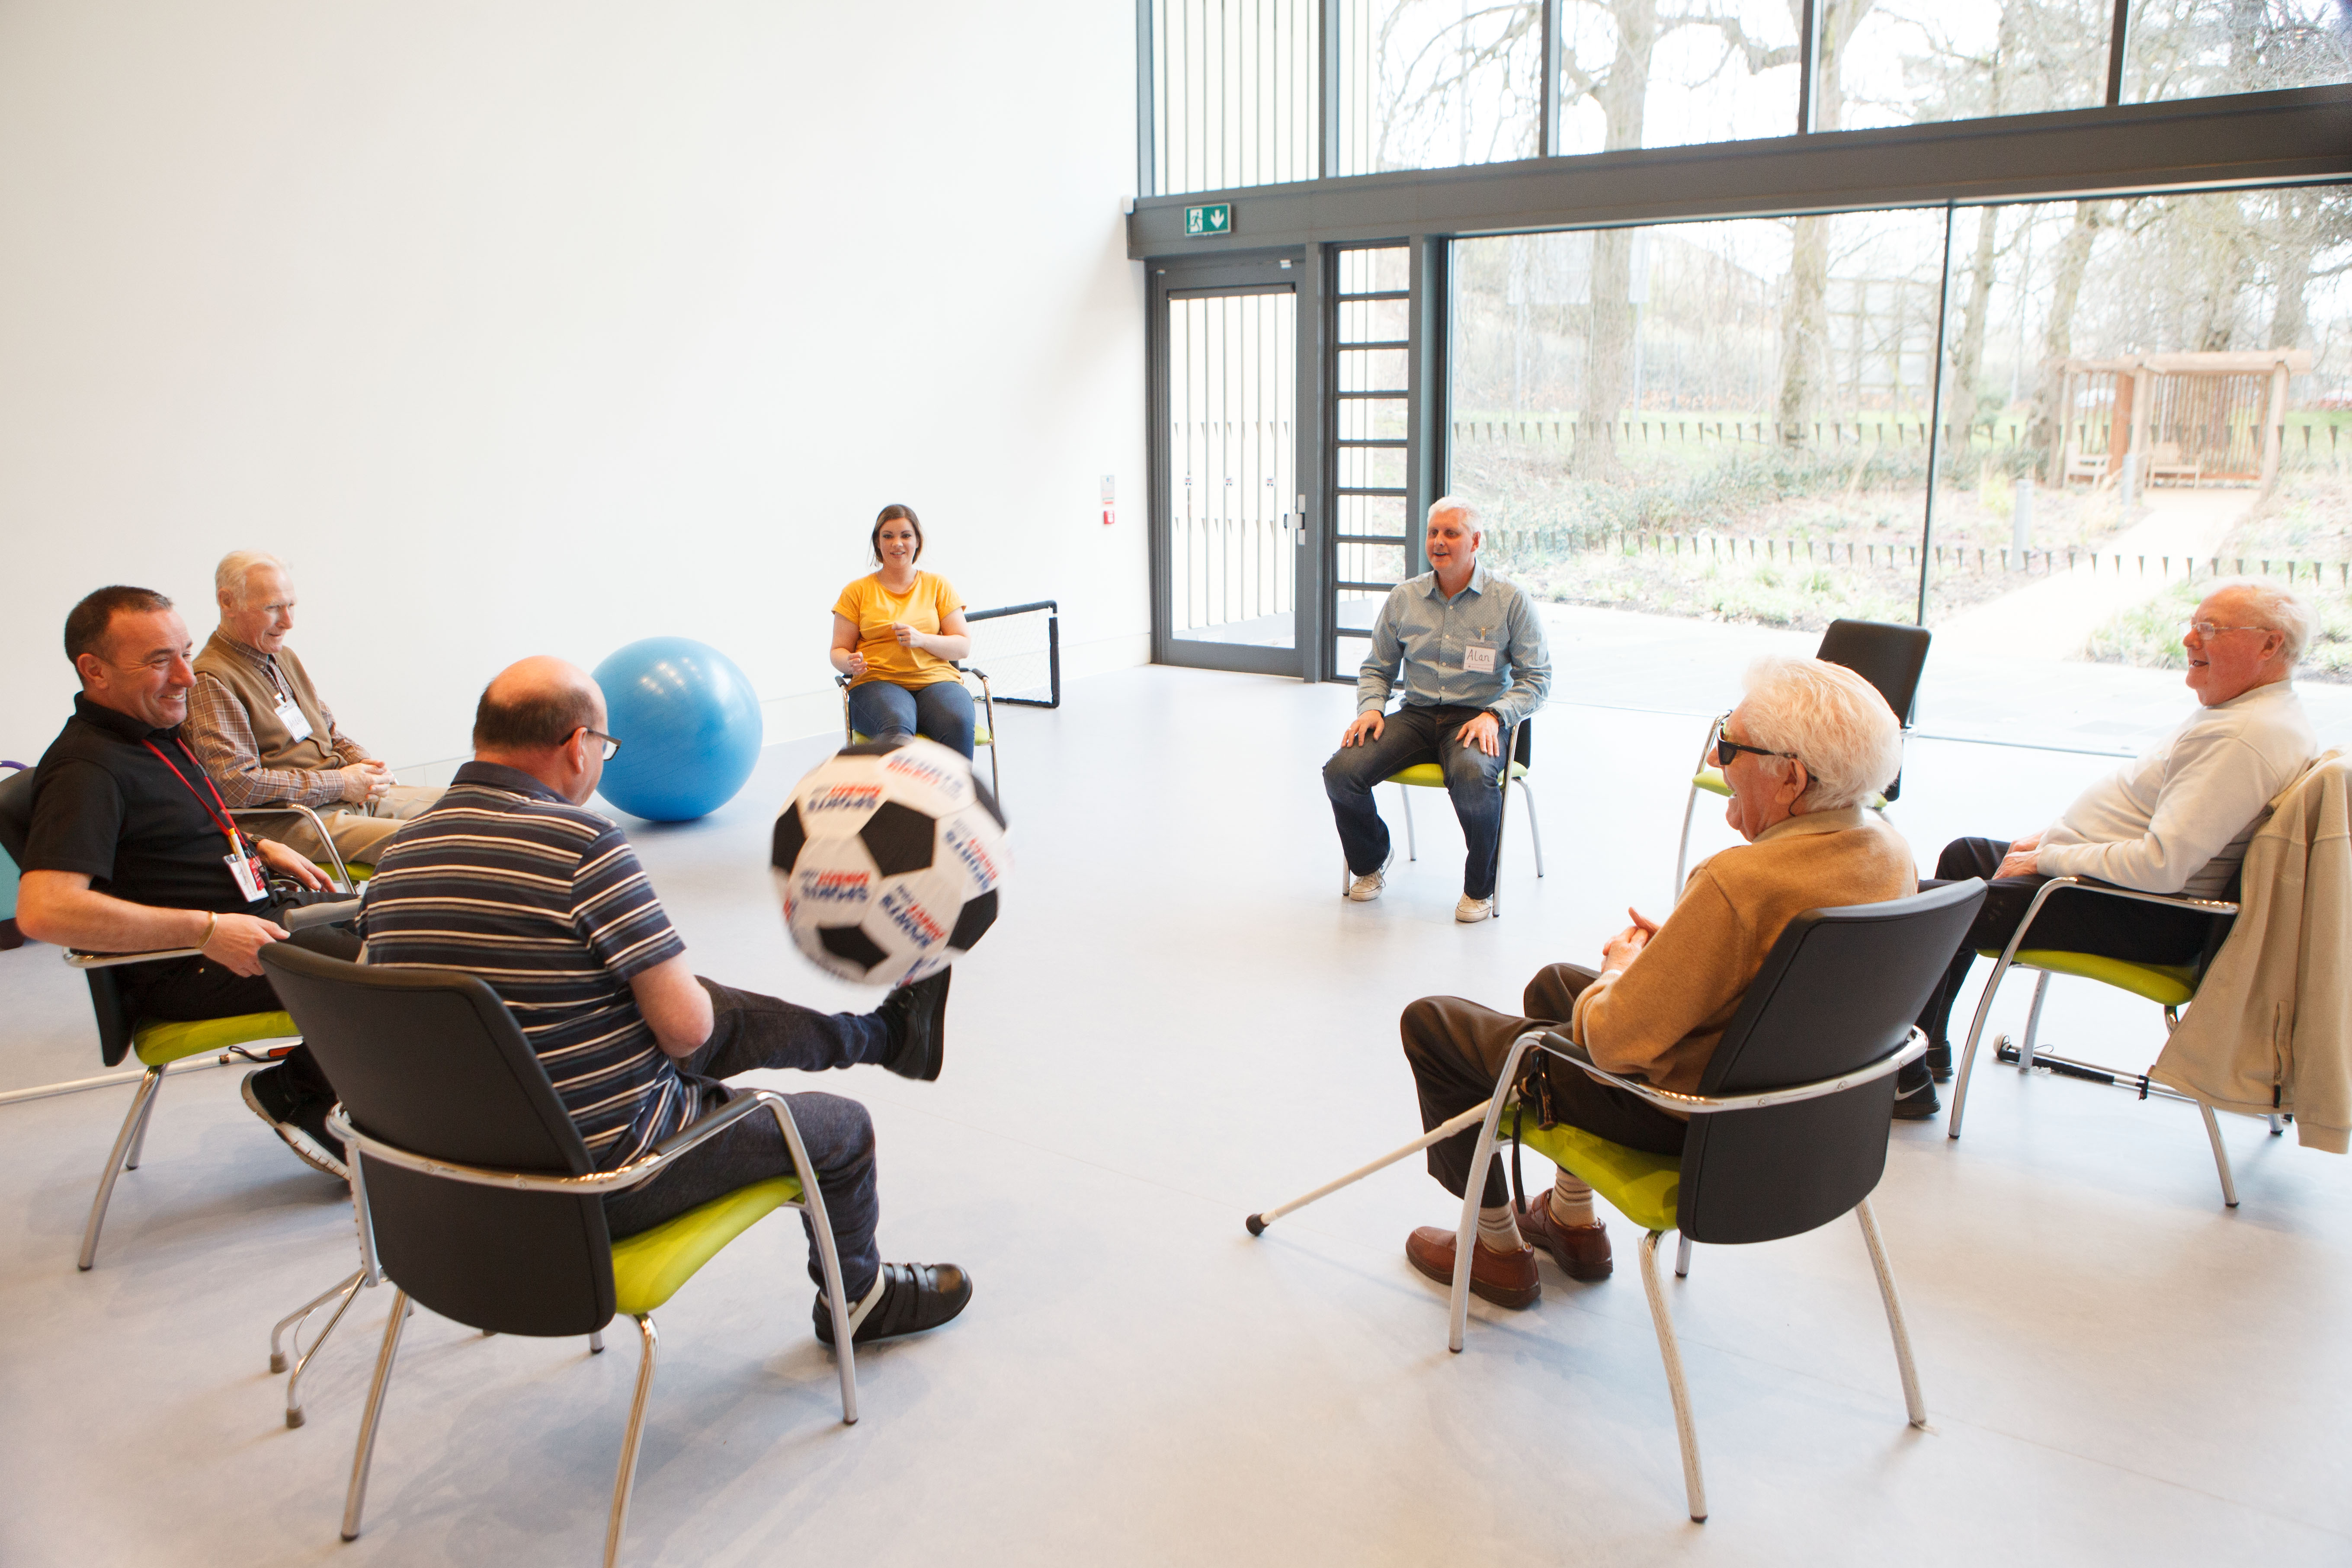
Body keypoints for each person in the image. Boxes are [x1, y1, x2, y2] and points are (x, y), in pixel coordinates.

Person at [354, 656, 971, 1348]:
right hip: (599, 1179)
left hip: (454, 1183)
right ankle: (859, 1302)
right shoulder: (581, 846)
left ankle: (882, 1039)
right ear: (574, 745)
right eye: (604, 746)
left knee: (697, 1003)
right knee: (838, 1127)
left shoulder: (397, 861)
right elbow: (684, 1033)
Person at [1396, 657, 1913, 1305]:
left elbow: (1612, 1044)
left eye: (1730, 744)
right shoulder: (1890, 855)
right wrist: (1676, 955)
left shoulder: (1738, 882)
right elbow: (1770, 971)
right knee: (1557, 984)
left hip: (1685, 1119)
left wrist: (1620, 969)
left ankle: (1494, 1247)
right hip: (1794, 1119)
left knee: (1434, 1022)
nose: (1718, 759)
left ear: (1791, 779)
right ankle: (1570, 1219)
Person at [1895, 580, 2320, 1119]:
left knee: (1927, 905)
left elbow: (2160, 866)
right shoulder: (2248, 713)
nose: (2190, 637)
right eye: (2194, 623)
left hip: (2146, 914)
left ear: (2269, 646)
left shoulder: (2242, 738)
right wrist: (2052, 839)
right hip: (2121, 894)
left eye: (2211, 629)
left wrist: (2050, 858)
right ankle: (1924, 1049)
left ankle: (1901, 1080)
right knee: (1965, 856)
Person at [16, 586, 361, 1178]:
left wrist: (259, 846)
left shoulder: (149, 735)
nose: (187, 677)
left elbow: (170, 837)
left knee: (411, 923)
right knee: (405, 958)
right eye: (159, 661)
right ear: (93, 671)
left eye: (185, 653)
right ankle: (300, 1095)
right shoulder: (87, 770)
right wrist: (205, 930)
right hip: (196, 964)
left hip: (250, 921)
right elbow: (45, 911)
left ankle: (331, 1097)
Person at [1324, 496, 1551, 923]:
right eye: (1433, 532)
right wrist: (1372, 707)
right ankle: (1372, 859)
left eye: (1451, 533)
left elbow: (1536, 679)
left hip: (1477, 719)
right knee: (1341, 771)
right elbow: (1377, 667)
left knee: (1470, 776)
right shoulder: (1404, 598)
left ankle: (1478, 887)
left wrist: (1496, 715)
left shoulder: (1509, 601)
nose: (1439, 542)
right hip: (1417, 714)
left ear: (1475, 541)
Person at [183, 551, 441, 872]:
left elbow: (329, 733)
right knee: (434, 840)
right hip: (291, 820)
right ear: (227, 602)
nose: (288, 622)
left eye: (290, 605)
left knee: (467, 809)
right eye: (273, 608)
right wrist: (340, 784)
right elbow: (236, 784)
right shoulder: (210, 679)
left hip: (344, 800)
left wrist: (365, 766)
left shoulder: (283, 657)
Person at [829, 504, 977, 758]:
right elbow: (838, 651)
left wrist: (921, 639)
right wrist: (849, 663)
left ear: (918, 541)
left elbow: (962, 646)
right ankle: (900, 799)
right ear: (878, 543)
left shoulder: (938, 585)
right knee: (896, 726)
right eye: (888, 536)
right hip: (878, 682)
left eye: (906, 535)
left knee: (958, 721)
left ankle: (952, 798)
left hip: (937, 681)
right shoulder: (856, 592)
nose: (897, 543)